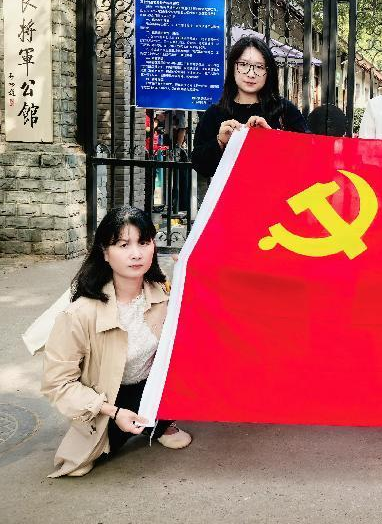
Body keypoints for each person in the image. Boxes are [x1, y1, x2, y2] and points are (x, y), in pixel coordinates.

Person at [42, 206, 192, 477]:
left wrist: (191, 278)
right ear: (104, 252)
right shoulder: (80, 313)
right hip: (109, 399)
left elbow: (198, 332)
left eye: (143, 242)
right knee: (81, 464)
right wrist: (112, 412)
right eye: (124, 245)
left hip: (150, 387)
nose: (136, 254)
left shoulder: (163, 291)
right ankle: (118, 423)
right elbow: (57, 383)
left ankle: (162, 421)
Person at [191, 36, 308, 178]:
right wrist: (220, 142)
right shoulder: (215, 113)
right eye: (243, 64)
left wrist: (273, 138)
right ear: (233, 67)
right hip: (231, 192)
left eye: (259, 67)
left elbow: (308, 157)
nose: (251, 74)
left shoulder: (285, 110)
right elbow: (200, 166)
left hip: (275, 191)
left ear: (268, 72)